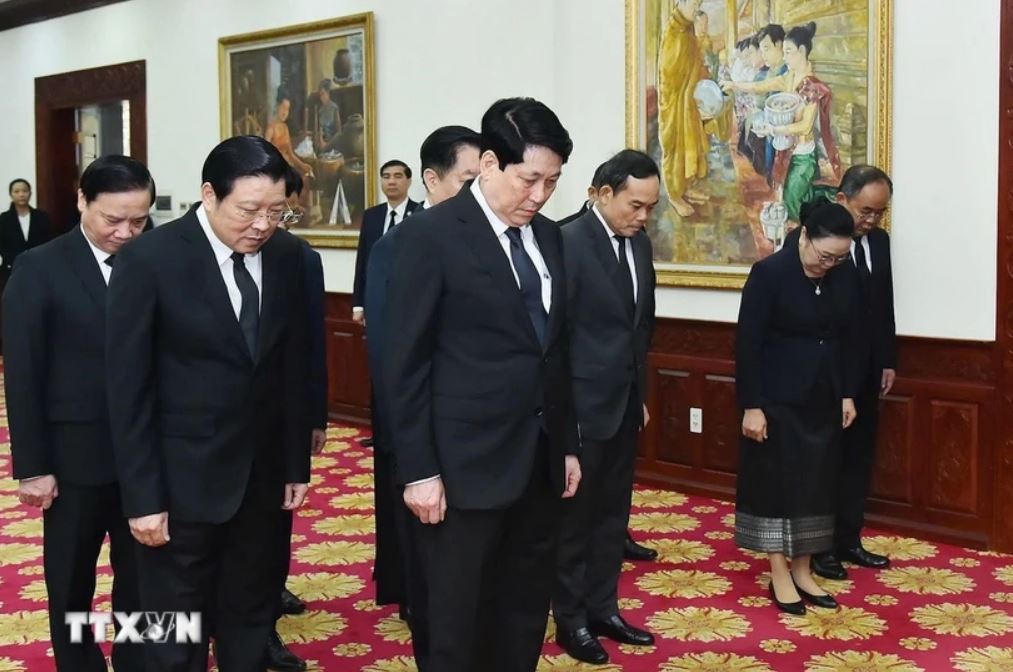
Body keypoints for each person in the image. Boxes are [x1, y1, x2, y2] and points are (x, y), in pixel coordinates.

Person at [380, 97, 581, 672]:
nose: (540, 195)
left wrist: (566, 444)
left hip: (537, 463)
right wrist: (418, 471)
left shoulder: (548, 238)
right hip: (459, 470)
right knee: (454, 617)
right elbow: (404, 365)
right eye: (529, 179)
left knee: (521, 609)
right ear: (490, 163)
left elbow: (554, 351)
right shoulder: (432, 235)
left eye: (552, 181)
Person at [106, 135, 311, 671]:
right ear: (209, 195)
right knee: (171, 632)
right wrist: (142, 497)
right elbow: (128, 389)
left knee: (249, 616)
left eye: (277, 211)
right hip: (177, 485)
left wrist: (294, 463)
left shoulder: (289, 257)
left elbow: (290, 370)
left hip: (261, 482)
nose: (263, 225)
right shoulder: (149, 260)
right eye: (249, 210)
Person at [3, 155, 152, 672]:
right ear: (82, 201)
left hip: (147, 462)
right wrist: (33, 466)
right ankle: (79, 661)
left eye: (139, 220)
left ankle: (136, 660)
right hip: (73, 461)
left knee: (144, 578)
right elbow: (23, 374)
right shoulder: (40, 267)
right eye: (113, 219)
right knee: (71, 580)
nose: (127, 232)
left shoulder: (156, 260)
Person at [366, 125, 481, 672]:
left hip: (477, 443)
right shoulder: (403, 246)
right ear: (432, 180)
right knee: (431, 580)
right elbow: (396, 355)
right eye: (467, 181)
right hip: (419, 439)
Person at [553, 150, 659, 665]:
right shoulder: (566, 243)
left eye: (650, 208)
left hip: (622, 407)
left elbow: (640, 329)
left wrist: (638, 394)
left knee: (613, 516)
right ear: (602, 193)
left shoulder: (639, 246)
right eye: (635, 206)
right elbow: (558, 341)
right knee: (574, 521)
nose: (643, 217)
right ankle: (570, 620)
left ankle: (604, 608)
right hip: (579, 411)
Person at [735, 199, 860, 616]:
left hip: (822, 399)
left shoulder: (842, 276)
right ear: (804, 235)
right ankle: (779, 572)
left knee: (816, 485)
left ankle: (804, 569)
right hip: (776, 401)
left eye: (839, 257)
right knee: (777, 485)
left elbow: (844, 340)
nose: (830, 264)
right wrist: (752, 405)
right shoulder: (770, 274)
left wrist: (845, 393)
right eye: (824, 254)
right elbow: (747, 345)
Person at [778, 166, 894, 580]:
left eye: (879, 213)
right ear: (843, 199)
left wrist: (887, 360)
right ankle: (819, 549)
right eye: (866, 210)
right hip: (825, 373)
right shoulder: (811, 241)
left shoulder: (878, 244)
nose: (871, 220)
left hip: (865, 373)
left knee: (857, 458)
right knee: (823, 463)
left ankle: (849, 538)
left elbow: (883, 308)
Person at [263, 168, 329, 672]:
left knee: (271, 525)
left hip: (278, 419)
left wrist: (315, 414)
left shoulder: (299, 259)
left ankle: (264, 612)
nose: (270, 221)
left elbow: (310, 345)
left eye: (281, 211)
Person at [722, 22, 841, 223]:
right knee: (785, 197)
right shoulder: (789, 77)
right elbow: (760, 86)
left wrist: (774, 129)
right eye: (783, 51)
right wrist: (734, 85)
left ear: (802, 51)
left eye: (788, 52)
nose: (784, 57)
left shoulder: (811, 86)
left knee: (792, 204)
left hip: (803, 153)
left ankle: (831, 198)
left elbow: (804, 126)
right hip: (785, 148)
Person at [657, 0, 710, 218]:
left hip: (688, 102)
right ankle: (674, 195)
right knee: (674, 148)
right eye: (694, 3)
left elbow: (695, 61)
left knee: (692, 144)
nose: (696, 8)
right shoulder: (673, 30)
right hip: (674, 103)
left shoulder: (687, 28)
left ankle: (688, 186)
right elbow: (669, 72)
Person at [351, 159, 419, 326]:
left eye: (398, 176)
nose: (391, 181)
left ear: (408, 181)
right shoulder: (371, 215)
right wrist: (358, 305)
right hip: (376, 300)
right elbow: (363, 260)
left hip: (410, 302)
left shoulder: (420, 214)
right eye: (386, 176)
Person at [0, 178, 52, 284]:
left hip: (39, 269)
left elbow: (49, 242)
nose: (21, 194)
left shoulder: (41, 217)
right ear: (11, 195)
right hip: (11, 270)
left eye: (25, 191)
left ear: (30, 193)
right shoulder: (4, 219)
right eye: (17, 191)